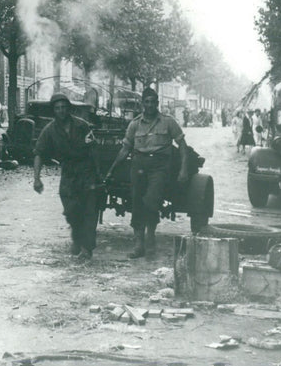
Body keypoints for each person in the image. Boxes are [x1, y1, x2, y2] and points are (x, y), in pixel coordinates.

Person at [108, 87, 188, 260]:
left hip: (160, 166)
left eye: (153, 102)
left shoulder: (168, 122)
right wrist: (112, 169)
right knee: (137, 201)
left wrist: (183, 169)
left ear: (157, 103)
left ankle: (150, 237)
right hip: (139, 164)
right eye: (147, 102)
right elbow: (125, 149)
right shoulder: (134, 124)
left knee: (151, 199)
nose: (150, 105)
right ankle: (139, 245)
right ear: (142, 104)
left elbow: (182, 144)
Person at [32, 93, 97, 260]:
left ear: (69, 108)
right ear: (53, 110)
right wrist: (37, 178)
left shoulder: (82, 125)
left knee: (89, 211)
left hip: (86, 170)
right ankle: (77, 237)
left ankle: (86, 249)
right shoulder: (50, 130)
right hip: (68, 171)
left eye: (63, 107)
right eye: (57, 108)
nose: (61, 111)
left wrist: (97, 176)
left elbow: (93, 150)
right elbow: (39, 153)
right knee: (71, 210)